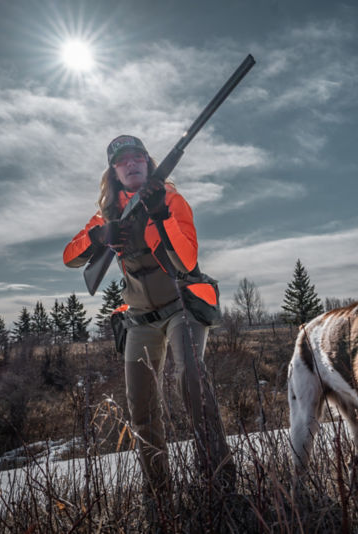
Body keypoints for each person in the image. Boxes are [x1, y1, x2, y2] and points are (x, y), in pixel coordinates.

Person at [63, 134, 235, 502]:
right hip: (139, 318)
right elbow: (70, 257)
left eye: (138, 156)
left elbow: (186, 262)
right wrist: (98, 236)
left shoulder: (170, 199)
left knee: (190, 375)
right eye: (123, 160)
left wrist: (159, 215)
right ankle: (159, 494)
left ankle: (222, 482)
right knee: (140, 403)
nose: (132, 163)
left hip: (182, 307)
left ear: (148, 161)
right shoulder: (108, 213)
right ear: (114, 171)